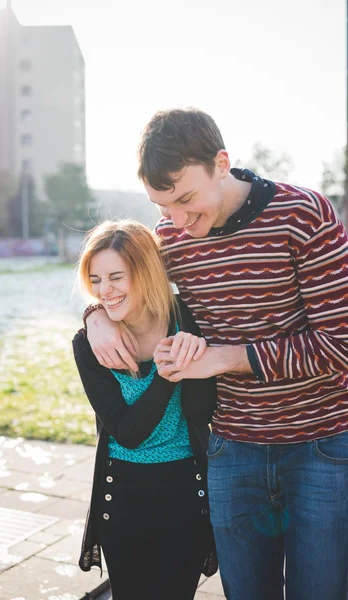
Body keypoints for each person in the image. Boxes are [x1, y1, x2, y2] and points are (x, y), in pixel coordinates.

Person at [84, 108, 348, 600]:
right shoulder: (170, 238)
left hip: (320, 446)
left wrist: (225, 358)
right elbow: (122, 281)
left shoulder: (304, 213)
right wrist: (95, 315)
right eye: (163, 207)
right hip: (229, 449)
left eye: (185, 199)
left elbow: (341, 345)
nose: (178, 221)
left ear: (221, 163)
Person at [72, 220, 217, 600]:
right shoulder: (90, 344)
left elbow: (203, 409)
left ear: (146, 272)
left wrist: (191, 355)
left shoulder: (188, 321)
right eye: (96, 279)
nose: (105, 291)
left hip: (185, 489)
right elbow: (128, 432)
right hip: (121, 495)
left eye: (116, 277)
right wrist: (168, 373)